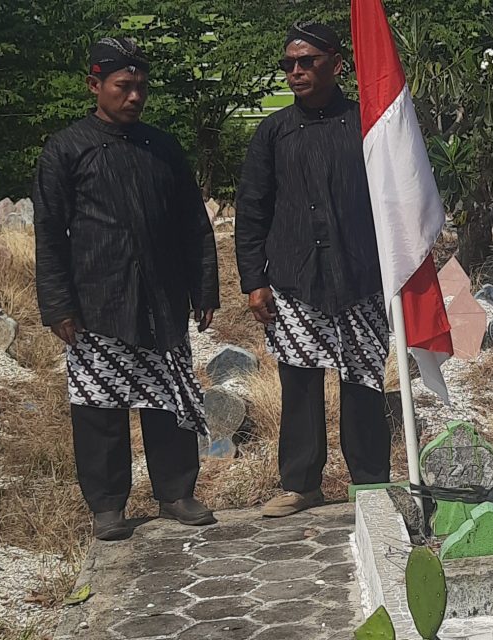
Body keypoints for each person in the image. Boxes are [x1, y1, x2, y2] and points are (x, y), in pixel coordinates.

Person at [34, 37, 220, 541]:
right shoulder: (67, 149)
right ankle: (108, 505)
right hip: (96, 302)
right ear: (96, 85)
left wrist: (204, 288)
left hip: (163, 301)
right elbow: (49, 233)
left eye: (141, 87)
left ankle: (177, 492)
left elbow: (192, 224)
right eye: (124, 86)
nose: (135, 96)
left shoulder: (161, 147)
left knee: (169, 399)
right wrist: (57, 304)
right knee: (98, 408)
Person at [235, 22, 391, 518]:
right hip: (295, 282)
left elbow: (396, 197)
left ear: (336, 64)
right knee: (299, 384)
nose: (296, 71)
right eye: (289, 64)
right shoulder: (274, 131)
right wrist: (254, 281)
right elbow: (252, 209)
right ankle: (301, 484)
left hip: (361, 279)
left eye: (306, 62)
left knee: (364, 382)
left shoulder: (370, 122)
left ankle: (371, 484)